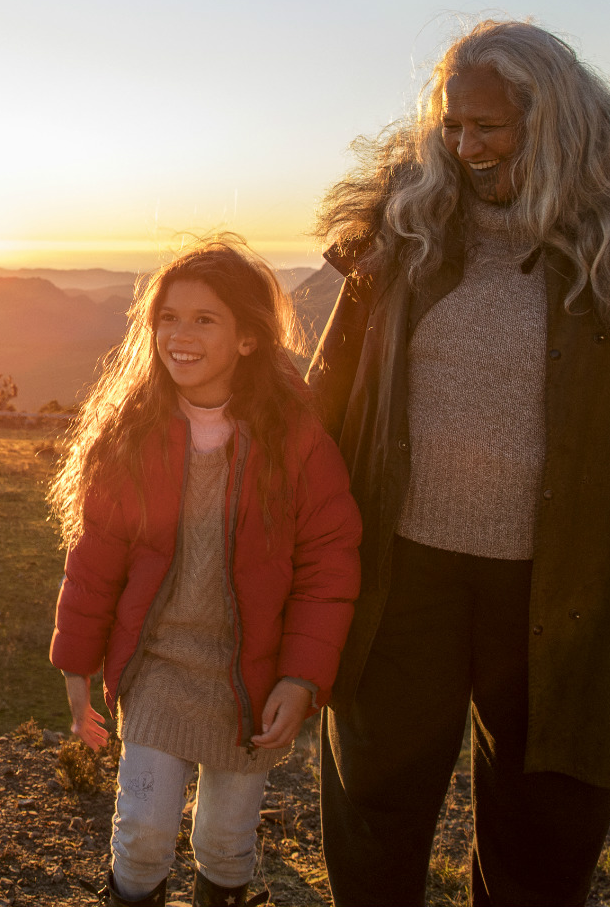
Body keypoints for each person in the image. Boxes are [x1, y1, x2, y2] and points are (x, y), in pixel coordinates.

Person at [307, 20, 610, 905]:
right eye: (453, 126)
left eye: (490, 127)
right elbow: (325, 398)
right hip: (402, 577)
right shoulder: (401, 232)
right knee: (373, 817)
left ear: (552, 121)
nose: (465, 147)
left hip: (566, 589)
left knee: (544, 842)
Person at [49, 236, 365, 907]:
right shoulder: (130, 432)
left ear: (250, 339)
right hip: (159, 670)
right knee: (140, 836)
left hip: (249, 680)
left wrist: (301, 676)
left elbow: (327, 566)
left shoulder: (295, 437)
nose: (178, 334)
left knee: (225, 843)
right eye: (167, 317)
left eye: (203, 319)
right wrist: (76, 667)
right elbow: (95, 559)